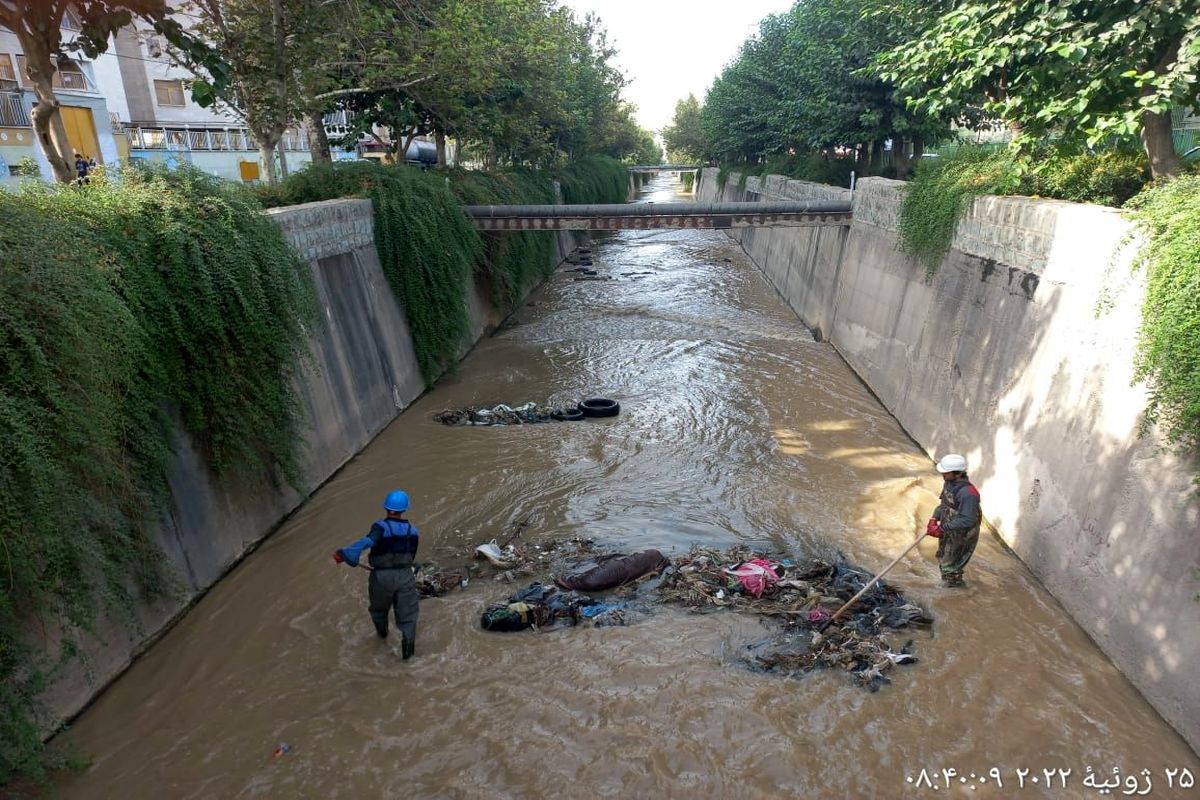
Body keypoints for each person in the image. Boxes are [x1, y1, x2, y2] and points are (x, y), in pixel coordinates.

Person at [333, 490, 420, 659]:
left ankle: (382, 638)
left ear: (387, 508)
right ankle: (408, 657)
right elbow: (411, 556)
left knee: (379, 611)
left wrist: (345, 554)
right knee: (408, 618)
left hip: (381, 577)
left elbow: (367, 541)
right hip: (405, 576)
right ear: (404, 509)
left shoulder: (380, 527)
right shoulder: (413, 531)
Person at [924, 454, 981, 588]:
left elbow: (968, 519)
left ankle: (956, 592)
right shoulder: (949, 483)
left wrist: (942, 528)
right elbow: (944, 504)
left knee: (952, 565)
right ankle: (948, 583)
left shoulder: (968, 493)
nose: (942, 474)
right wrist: (934, 518)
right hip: (949, 526)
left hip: (962, 533)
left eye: (945, 472)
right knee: (944, 557)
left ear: (957, 473)